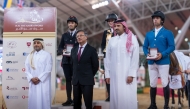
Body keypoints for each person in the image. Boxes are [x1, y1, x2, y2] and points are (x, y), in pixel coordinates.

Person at [143, 11, 175, 109]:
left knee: (165, 82)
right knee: (152, 83)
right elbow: (144, 46)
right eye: (154, 18)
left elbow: (172, 46)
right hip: (151, 62)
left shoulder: (168, 33)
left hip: (164, 61)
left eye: (157, 18)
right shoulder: (149, 34)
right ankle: (153, 105)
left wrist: (163, 54)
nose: (155, 19)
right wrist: (146, 54)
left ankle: (166, 105)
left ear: (162, 20)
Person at [105, 19, 139, 109]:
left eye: (118, 26)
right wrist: (107, 74)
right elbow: (107, 58)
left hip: (127, 74)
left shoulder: (131, 38)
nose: (116, 28)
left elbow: (135, 58)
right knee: (115, 96)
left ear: (124, 27)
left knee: (128, 96)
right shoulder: (112, 40)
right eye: (114, 26)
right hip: (114, 75)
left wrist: (131, 74)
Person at [71, 30, 99, 109]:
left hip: (87, 81)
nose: (79, 37)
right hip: (76, 81)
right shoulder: (73, 50)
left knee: (88, 103)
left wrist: (89, 75)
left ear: (86, 37)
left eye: (81, 35)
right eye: (77, 36)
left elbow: (95, 65)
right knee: (76, 104)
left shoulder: (92, 50)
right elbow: (72, 64)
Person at [25, 38, 53, 109]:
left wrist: (39, 78)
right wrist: (31, 78)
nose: (36, 44)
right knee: (33, 101)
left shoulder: (47, 55)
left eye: (38, 43)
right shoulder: (30, 56)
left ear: (42, 44)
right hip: (33, 82)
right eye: (35, 43)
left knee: (43, 101)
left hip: (43, 83)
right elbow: (27, 68)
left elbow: (48, 69)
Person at [58, 16, 78, 106]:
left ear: (76, 24)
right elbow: (59, 48)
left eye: (72, 22)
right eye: (69, 23)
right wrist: (62, 50)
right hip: (66, 61)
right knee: (68, 80)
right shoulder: (64, 35)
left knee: (75, 81)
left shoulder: (79, 34)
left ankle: (76, 99)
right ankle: (69, 99)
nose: (70, 24)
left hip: (76, 61)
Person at [101, 13, 118, 101]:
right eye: (109, 21)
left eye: (112, 20)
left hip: (118, 57)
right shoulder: (106, 32)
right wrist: (105, 55)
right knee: (107, 76)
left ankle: (117, 95)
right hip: (107, 57)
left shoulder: (119, 31)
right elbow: (103, 45)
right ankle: (110, 95)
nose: (110, 22)